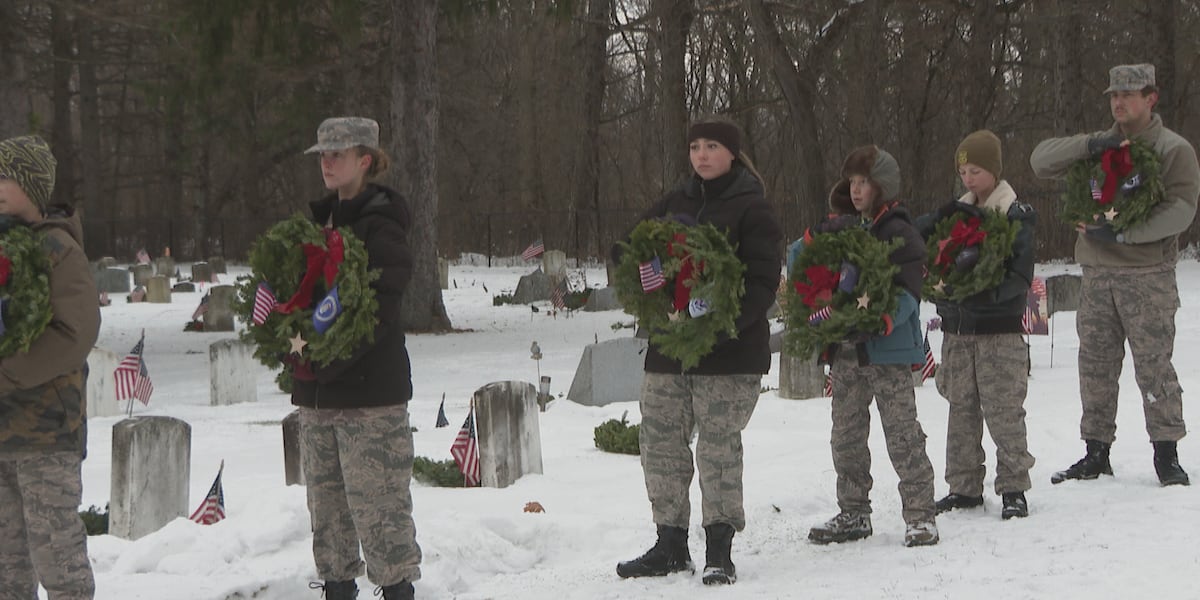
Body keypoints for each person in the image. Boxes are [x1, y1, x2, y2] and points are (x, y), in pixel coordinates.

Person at [612, 117, 782, 586]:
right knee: (661, 445)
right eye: (694, 147)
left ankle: (719, 548)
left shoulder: (753, 209)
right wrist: (631, 263)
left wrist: (719, 325)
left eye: (711, 146)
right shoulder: (675, 202)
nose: (701, 155)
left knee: (718, 449)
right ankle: (669, 543)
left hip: (728, 353)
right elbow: (635, 244)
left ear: (732, 152)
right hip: (670, 349)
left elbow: (764, 283)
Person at [1030, 64, 1199, 487]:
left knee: (1154, 366)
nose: (1119, 102)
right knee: (1096, 366)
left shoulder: (1171, 149)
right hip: (1099, 274)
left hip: (1146, 276)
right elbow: (1040, 161)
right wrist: (1092, 143)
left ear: (1151, 97)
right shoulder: (1098, 147)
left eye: (1129, 94)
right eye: (1113, 95)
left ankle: (1166, 452)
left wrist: (1125, 233)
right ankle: (1096, 450)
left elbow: (1181, 210)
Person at [294, 117, 421, 599]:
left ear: (364, 160)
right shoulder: (316, 224)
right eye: (322, 155)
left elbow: (380, 305)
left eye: (338, 154)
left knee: (382, 516)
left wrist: (329, 360)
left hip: (369, 397)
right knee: (328, 521)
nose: (327, 162)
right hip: (319, 396)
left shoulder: (381, 224)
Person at [795, 145, 940, 548]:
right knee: (846, 435)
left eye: (864, 182)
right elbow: (805, 265)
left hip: (887, 352)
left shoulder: (900, 233)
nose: (856, 190)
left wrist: (882, 319)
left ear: (883, 186)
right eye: (852, 183)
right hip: (845, 352)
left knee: (902, 434)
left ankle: (920, 514)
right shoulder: (842, 230)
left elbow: (909, 292)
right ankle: (854, 511)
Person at [915, 130, 1037, 519]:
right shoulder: (954, 216)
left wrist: (984, 293)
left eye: (977, 170)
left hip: (998, 331)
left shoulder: (1014, 215)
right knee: (961, 408)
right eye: (964, 171)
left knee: (1003, 410)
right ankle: (964, 485)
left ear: (995, 171)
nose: (969, 178)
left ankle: (1014, 486)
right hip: (959, 329)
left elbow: (1018, 276)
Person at [0, 135, 101, 599]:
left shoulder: (58, 248)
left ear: (32, 185)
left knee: (56, 556)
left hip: (45, 429)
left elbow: (74, 334)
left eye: (6, 176)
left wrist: (8, 372)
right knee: (7, 565)